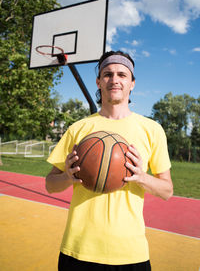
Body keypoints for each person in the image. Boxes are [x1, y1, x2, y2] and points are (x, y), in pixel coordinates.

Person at [46, 50, 173, 271]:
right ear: (98, 81)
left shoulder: (152, 129)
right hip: (78, 250)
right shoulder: (79, 129)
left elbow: (167, 191)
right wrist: (67, 176)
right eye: (108, 74)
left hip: (130, 253)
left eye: (122, 75)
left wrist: (141, 177)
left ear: (132, 83)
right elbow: (50, 185)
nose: (114, 79)